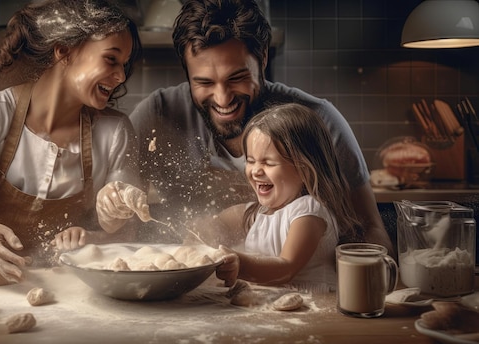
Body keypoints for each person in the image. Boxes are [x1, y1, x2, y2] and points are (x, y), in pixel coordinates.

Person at [128, 0, 393, 254]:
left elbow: (371, 230)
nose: (223, 99)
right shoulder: (156, 116)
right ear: (186, 70)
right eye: (205, 83)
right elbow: (116, 223)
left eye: (237, 78)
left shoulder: (318, 123)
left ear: (263, 57)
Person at [0, 0, 150, 283]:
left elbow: (126, 227)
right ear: (64, 51)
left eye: (124, 65)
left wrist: (95, 237)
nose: (121, 76)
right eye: (111, 59)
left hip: (61, 291)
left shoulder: (114, 131)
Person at [195, 103, 364, 292]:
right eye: (250, 161)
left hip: (310, 307)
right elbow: (220, 223)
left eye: (268, 163)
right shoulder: (257, 213)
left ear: (304, 169)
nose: (256, 171)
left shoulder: (308, 212)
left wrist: (240, 265)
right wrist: (201, 231)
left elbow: (286, 267)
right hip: (272, 307)